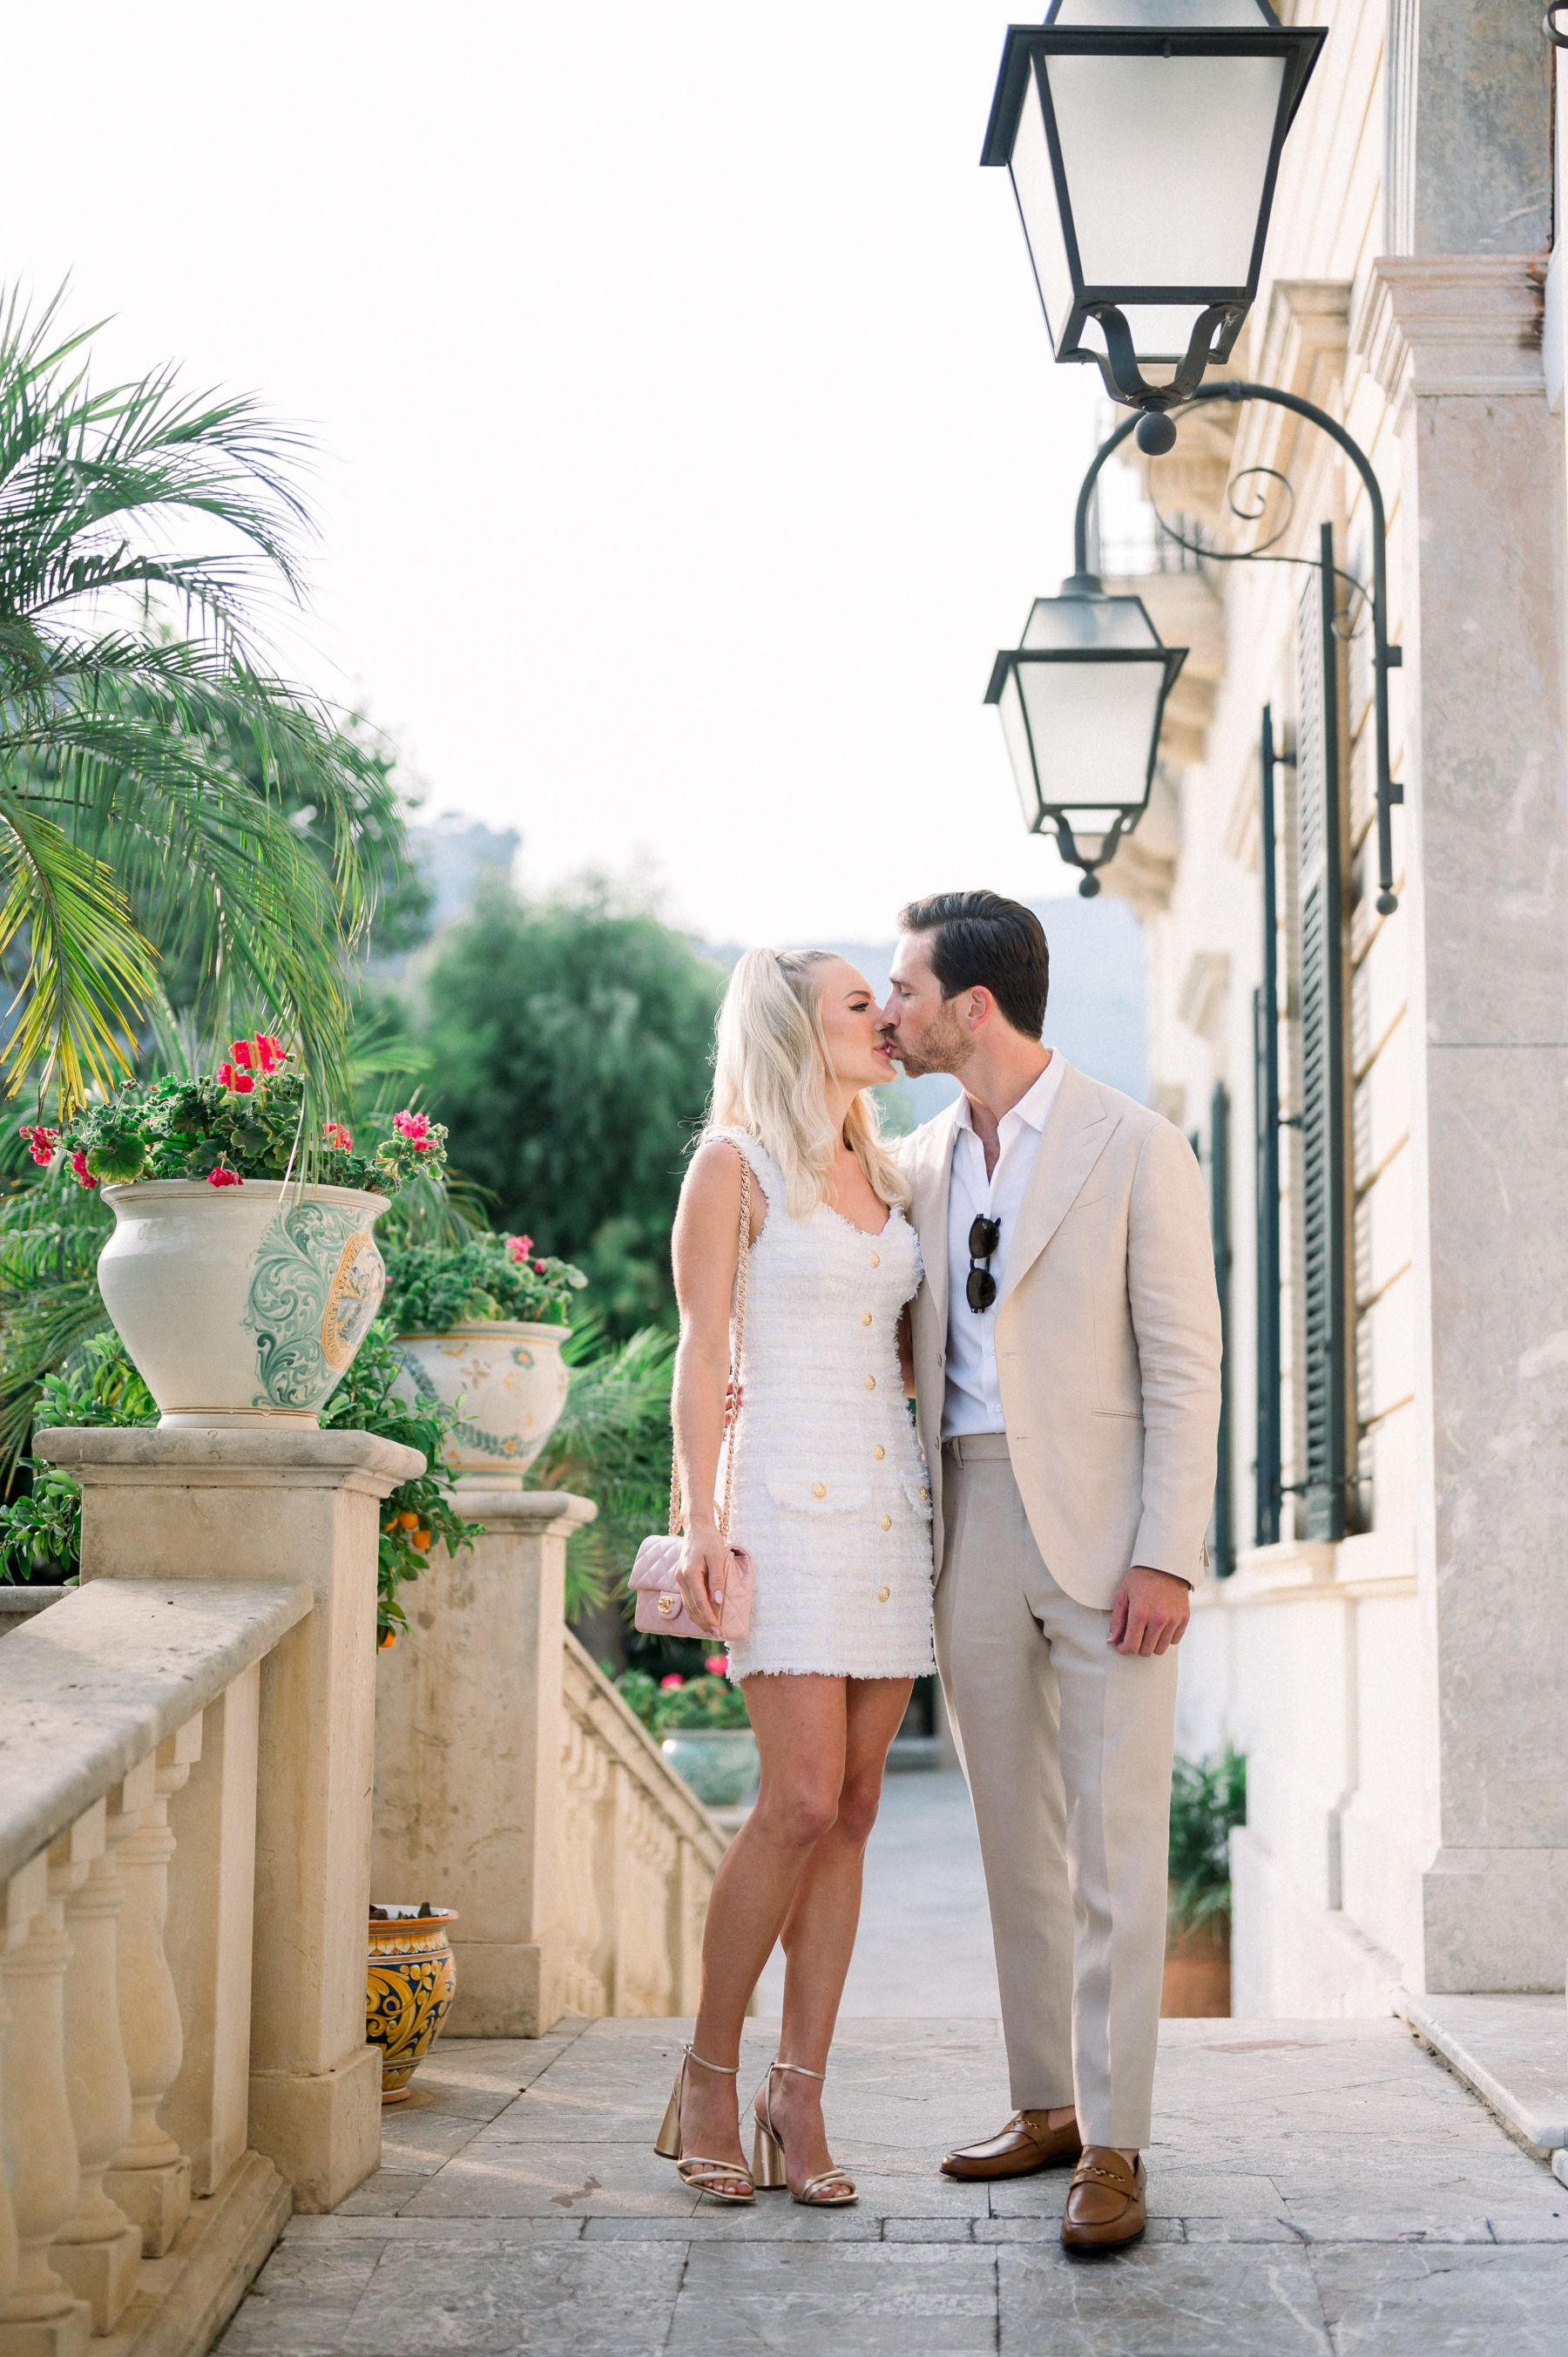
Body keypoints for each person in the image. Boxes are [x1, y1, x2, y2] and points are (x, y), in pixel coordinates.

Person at [881, 889, 1221, 2252]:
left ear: (973, 1006)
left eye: (906, 988)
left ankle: (1117, 2140)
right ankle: (1047, 2105)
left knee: (1115, 1846)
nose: (891, 1010)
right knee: (1013, 1839)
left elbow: (1186, 1365)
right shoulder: (913, 1162)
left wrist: (1168, 1554)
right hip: (966, 1516)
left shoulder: (1135, 1145)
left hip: (1107, 1539)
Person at [654, 947, 936, 2207]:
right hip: (781, 1498)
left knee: (859, 1804)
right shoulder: (734, 1166)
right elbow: (701, 1344)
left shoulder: (890, 1170)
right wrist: (701, 1519)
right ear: (793, 1030)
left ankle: (799, 2092)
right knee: (800, 1799)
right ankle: (709, 2075)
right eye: (860, 1004)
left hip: (889, 1511)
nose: (887, 1018)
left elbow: (910, 1346)